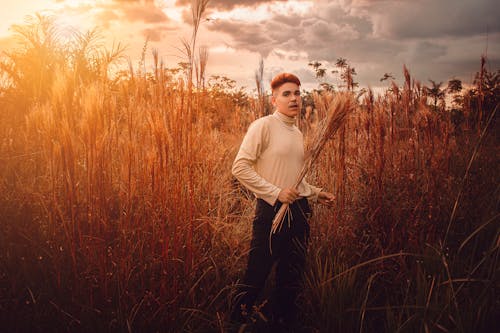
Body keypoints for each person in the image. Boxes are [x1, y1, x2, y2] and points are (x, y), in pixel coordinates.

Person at [230, 73, 335, 331]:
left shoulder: (297, 133)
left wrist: (315, 192)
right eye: (286, 94)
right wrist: (275, 193)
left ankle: (281, 323)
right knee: (256, 275)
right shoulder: (263, 126)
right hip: (271, 212)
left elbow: (294, 181)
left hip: (299, 212)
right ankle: (235, 323)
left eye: (297, 93)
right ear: (274, 99)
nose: (294, 98)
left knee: (290, 280)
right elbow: (240, 168)